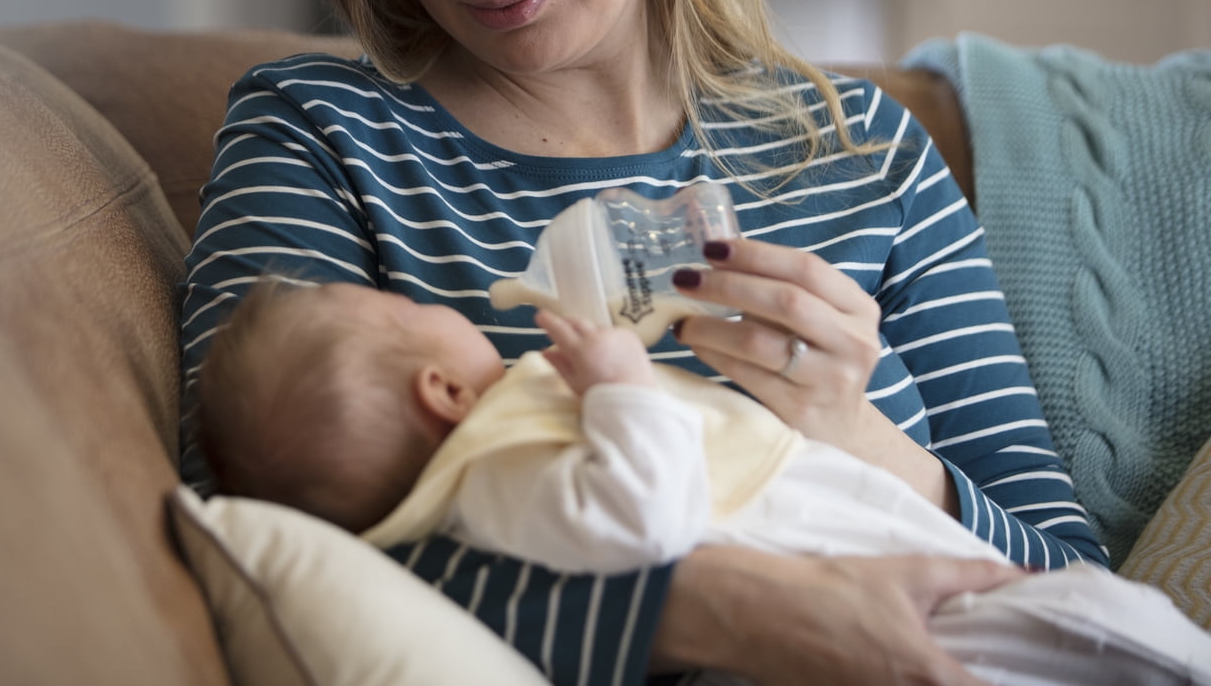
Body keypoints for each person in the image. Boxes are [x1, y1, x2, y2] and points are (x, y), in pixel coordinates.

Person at [180, 0, 1111, 682]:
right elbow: (246, 537)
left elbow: (1080, 589)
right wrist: (717, 613)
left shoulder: (862, 155)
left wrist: (865, 439)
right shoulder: (323, 138)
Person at [195, 277, 1211, 686]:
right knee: (1089, 638)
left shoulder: (873, 144)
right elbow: (647, 513)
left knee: (1095, 614)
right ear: (438, 391)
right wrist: (624, 389)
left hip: (893, 540)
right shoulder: (495, 471)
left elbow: (1051, 547)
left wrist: (857, 427)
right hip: (864, 589)